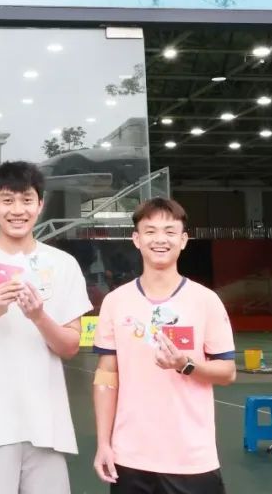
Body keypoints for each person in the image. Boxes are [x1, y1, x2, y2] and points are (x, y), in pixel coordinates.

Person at [0, 161, 91, 494]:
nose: (18, 210)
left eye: (26, 200)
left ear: (40, 204)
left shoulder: (62, 264)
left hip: (45, 427)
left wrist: (38, 316)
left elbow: (69, 346)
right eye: (7, 200)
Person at [93, 197, 237, 494]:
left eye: (170, 231)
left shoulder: (205, 300)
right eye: (150, 231)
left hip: (191, 459)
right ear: (136, 239)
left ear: (183, 240)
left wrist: (186, 365)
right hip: (129, 457)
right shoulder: (115, 301)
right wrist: (103, 443)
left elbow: (227, 372)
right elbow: (106, 376)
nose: (160, 239)